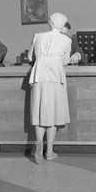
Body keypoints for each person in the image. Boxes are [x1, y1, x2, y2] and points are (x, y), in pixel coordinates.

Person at [28, 12, 71, 164]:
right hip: (55, 77)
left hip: (39, 75)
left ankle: (39, 141)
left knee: (40, 111)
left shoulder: (38, 36)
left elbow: (29, 57)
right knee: (52, 113)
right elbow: (65, 61)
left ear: (50, 23)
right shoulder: (66, 40)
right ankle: (50, 151)